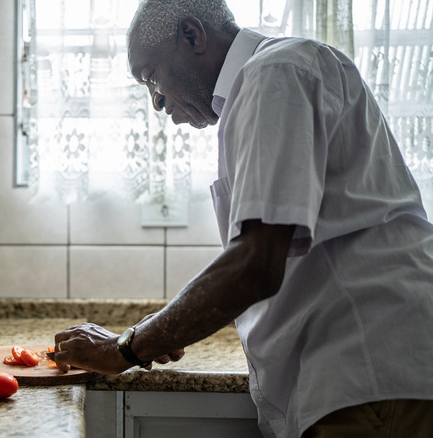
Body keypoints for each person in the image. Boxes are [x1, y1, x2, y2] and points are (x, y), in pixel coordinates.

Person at [50, 0, 433, 437]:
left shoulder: (275, 74)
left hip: (369, 371)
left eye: (151, 77)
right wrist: (173, 324)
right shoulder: (267, 83)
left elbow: (254, 264)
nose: (155, 101)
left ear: (192, 36)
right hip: (367, 374)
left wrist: (126, 348)